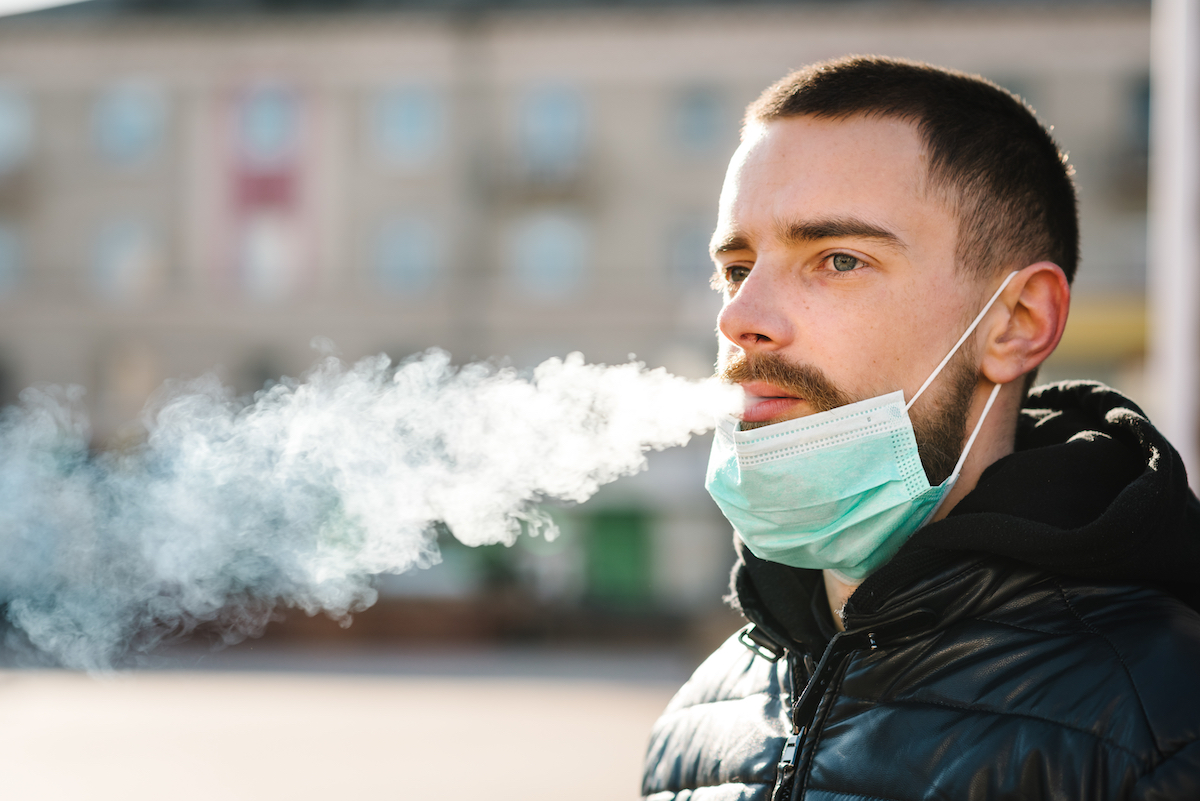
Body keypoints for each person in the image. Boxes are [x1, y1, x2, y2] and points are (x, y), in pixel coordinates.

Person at [642, 56, 1200, 800]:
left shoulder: (1161, 715)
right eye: (738, 268)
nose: (738, 318)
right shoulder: (703, 715)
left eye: (838, 259)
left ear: (1016, 323)